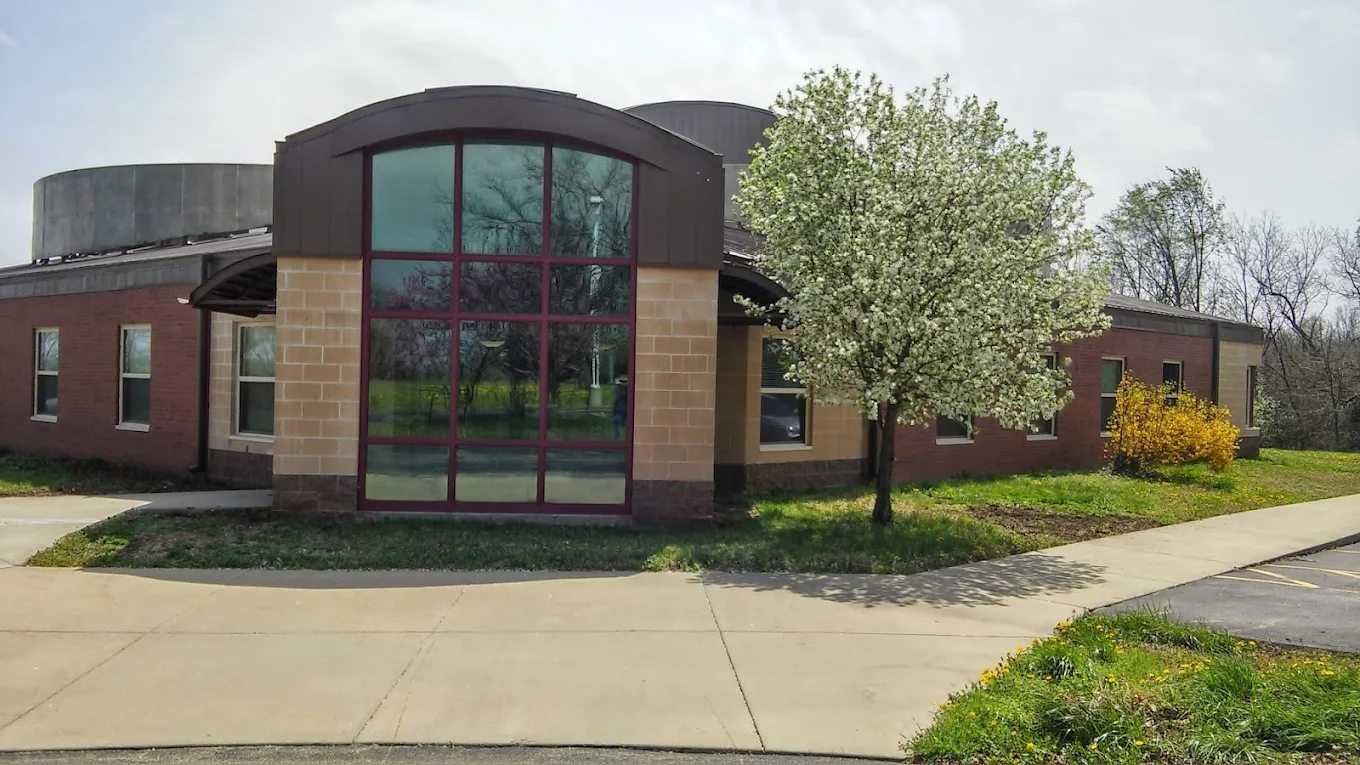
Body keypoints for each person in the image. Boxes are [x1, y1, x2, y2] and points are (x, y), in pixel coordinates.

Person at [612, 375, 628, 441]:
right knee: (618, 429)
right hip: (619, 411)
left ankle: (622, 441)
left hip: (625, 411)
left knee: (625, 429)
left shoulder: (627, 389)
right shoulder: (618, 389)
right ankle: (617, 442)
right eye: (622, 381)